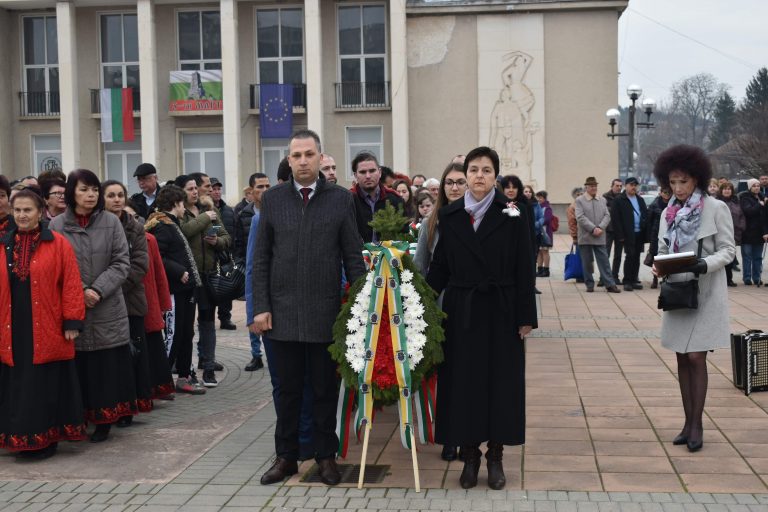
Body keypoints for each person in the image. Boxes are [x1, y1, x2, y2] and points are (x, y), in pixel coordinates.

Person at [253, 129, 366, 486]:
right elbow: (261, 259)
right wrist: (261, 307)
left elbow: (353, 256)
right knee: (287, 392)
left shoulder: (340, 199)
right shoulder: (273, 200)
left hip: (325, 314)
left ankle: (325, 457)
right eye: (296, 155)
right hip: (282, 314)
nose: (303, 161)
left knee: (323, 391)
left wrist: (361, 308)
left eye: (309, 154)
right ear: (289, 160)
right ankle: (286, 457)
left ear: (320, 157)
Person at [427, 146, 536, 490]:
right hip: (462, 310)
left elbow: (524, 267)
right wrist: (419, 302)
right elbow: (440, 267)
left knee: (500, 384)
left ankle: (496, 457)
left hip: (501, 309)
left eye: (486, 170)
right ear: (466, 174)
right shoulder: (451, 215)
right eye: (473, 170)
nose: (479, 176)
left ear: (495, 177)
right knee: (465, 384)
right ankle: (471, 455)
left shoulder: (513, 213)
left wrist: (525, 317)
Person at [652, 144, 735, 453]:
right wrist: (659, 266)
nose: (678, 188)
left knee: (697, 357)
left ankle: (697, 425)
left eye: (683, 181)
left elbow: (727, 250)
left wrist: (704, 264)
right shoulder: (668, 212)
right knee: (680, 357)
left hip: (706, 291)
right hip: (677, 291)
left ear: (697, 178)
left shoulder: (716, 208)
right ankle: (687, 424)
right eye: (672, 182)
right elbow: (662, 248)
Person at [49, 169, 137, 443]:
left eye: (94, 190)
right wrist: (80, 290)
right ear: (71, 192)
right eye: (84, 189)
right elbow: (53, 267)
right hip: (72, 308)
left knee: (104, 369)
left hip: (107, 306)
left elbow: (122, 262)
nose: (90, 195)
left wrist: (97, 289)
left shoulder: (111, 222)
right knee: (78, 368)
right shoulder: (56, 226)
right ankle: (79, 419)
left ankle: (104, 421)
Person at [0, 190, 87, 459]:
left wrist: (72, 320)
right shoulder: (3, 245)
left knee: (44, 384)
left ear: (40, 212)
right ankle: (18, 438)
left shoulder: (58, 243)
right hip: (11, 326)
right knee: (16, 384)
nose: (22, 215)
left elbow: (71, 283)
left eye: (27, 210)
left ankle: (45, 440)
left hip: (47, 324)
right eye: (17, 210)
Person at [413, 162, 468, 462]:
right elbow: (421, 267)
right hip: (441, 307)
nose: (455, 187)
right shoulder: (430, 222)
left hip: (471, 306)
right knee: (446, 376)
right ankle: (449, 437)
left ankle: (468, 434)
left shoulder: (476, 219)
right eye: (449, 182)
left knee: (468, 374)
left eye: (460, 182)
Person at [145, 185, 206, 395]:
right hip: (174, 290)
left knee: (186, 333)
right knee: (173, 335)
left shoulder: (172, 223)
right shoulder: (162, 225)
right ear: (176, 204)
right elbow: (157, 257)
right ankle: (158, 382)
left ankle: (183, 376)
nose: (184, 208)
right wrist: (178, 270)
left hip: (185, 289)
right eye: (182, 204)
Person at [102, 180, 153, 426]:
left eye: (120, 195)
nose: (116, 200)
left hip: (130, 300)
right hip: (102, 303)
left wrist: (111, 288)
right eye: (111, 195)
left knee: (132, 356)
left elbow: (140, 264)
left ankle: (130, 408)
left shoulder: (135, 227)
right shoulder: (98, 226)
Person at [176, 173, 232, 387]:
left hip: (209, 276)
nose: (195, 192)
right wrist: (205, 218)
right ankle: (185, 368)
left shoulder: (209, 209)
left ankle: (208, 366)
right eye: (190, 189)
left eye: (195, 188)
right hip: (187, 278)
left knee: (208, 322)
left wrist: (217, 241)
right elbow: (184, 232)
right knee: (186, 326)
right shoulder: (179, 212)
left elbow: (226, 237)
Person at [130, 204, 175, 400]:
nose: (131, 220)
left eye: (134, 216)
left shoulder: (149, 239)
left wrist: (164, 305)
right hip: (128, 304)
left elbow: (159, 274)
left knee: (153, 348)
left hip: (149, 302)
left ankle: (156, 387)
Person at [235, 173, 270, 371]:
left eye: (267, 186)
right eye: (260, 187)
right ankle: (256, 354)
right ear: (251, 191)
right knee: (254, 312)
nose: (264, 191)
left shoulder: (276, 210)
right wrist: (241, 264)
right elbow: (238, 242)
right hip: (251, 267)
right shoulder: (244, 214)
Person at [575, 177, 621, 293]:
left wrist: (600, 227)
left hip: (600, 235)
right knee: (587, 262)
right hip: (585, 236)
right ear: (586, 187)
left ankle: (610, 284)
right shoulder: (580, 200)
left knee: (604, 261)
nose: (594, 188)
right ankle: (589, 284)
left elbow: (607, 215)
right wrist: (593, 228)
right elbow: (580, 217)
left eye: (595, 186)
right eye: (591, 186)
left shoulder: (602, 200)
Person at [349, 151, 405, 243]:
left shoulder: (395, 199)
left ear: (379, 172)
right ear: (355, 175)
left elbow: (404, 236)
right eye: (363, 172)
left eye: (372, 171)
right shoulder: (348, 200)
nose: (368, 176)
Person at [611, 177, 648, 291]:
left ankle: (634, 279)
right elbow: (615, 219)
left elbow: (645, 214)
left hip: (639, 233)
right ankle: (627, 281)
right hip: (627, 234)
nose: (634, 187)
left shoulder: (640, 199)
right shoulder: (619, 200)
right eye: (631, 185)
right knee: (630, 256)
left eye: (635, 185)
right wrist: (620, 235)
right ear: (625, 186)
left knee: (637, 257)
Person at [209, 177, 237, 330]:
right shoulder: (205, 210)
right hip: (211, 255)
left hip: (226, 256)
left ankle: (225, 318)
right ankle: (207, 319)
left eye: (219, 189)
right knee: (211, 290)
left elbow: (234, 232)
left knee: (227, 288)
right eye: (214, 189)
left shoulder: (228, 210)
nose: (217, 192)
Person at [738, 178, 768, 286]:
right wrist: (759, 205)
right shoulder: (745, 198)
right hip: (748, 232)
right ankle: (747, 277)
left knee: (758, 257)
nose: (756, 188)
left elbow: (765, 217)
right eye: (754, 186)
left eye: (758, 186)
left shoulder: (762, 197)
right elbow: (748, 211)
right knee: (747, 256)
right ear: (750, 187)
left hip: (759, 232)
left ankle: (756, 277)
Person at [718, 182, 745, 287]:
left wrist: (741, 227)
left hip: (733, 233)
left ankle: (729, 279)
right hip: (720, 233)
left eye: (729, 189)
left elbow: (741, 215)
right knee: (721, 257)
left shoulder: (736, 201)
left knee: (730, 257)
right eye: (725, 189)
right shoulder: (717, 201)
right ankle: (721, 280)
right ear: (721, 190)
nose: (727, 191)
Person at [645, 187, 672, 289]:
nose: (667, 194)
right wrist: (649, 235)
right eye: (665, 192)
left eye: (669, 192)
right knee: (655, 256)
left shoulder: (673, 203)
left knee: (668, 257)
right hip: (656, 234)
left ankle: (666, 278)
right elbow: (649, 220)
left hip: (669, 233)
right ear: (660, 193)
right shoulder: (654, 204)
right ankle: (655, 279)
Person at [603, 178, 623, 282]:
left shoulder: (623, 197)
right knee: (606, 254)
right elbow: (603, 211)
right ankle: (603, 277)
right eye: (617, 186)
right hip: (608, 229)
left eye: (620, 186)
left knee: (618, 255)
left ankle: (615, 276)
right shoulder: (605, 197)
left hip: (620, 230)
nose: (619, 188)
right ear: (612, 186)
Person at [535, 191, 553, 277]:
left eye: (540, 198)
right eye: (537, 197)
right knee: (539, 252)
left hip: (545, 233)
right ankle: (539, 270)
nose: (538, 199)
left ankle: (546, 270)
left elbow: (547, 219)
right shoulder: (537, 207)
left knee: (545, 251)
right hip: (538, 232)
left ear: (544, 198)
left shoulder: (547, 208)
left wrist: (538, 221)